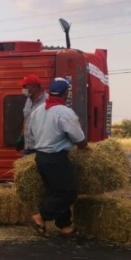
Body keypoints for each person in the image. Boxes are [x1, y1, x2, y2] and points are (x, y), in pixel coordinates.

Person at [26, 78, 88, 238]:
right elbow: (78, 138)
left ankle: (65, 226)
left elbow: (31, 134)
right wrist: (84, 147)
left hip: (41, 156)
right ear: (65, 93)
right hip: (56, 157)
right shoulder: (64, 112)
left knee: (56, 191)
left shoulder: (38, 111)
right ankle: (40, 217)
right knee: (69, 192)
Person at [16, 74, 47, 154]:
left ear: (33, 87)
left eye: (25, 86)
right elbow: (27, 119)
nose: (23, 89)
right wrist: (22, 137)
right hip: (28, 147)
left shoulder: (48, 101)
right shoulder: (28, 100)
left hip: (41, 149)